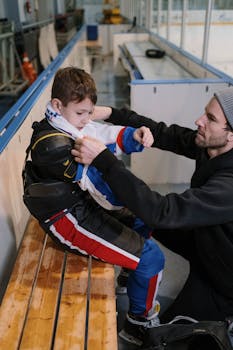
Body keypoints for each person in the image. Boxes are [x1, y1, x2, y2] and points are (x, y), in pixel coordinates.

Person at [22, 67, 165, 347]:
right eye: (81, 113)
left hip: (81, 203)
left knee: (143, 220)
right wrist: (140, 198)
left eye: (89, 112)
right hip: (67, 220)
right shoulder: (55, 147)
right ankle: (138, 323)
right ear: (57, 105)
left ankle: (129, 275)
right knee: (152, 259)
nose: (86, 119)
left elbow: (100, 132)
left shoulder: (67, 121)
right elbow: (108, 195)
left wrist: (132, 137)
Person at [72, 87, 233, 328]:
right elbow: (162, 133)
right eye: (204, 113)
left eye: (210, 119)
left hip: (224, 272)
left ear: (231, 135)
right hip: (205, 238)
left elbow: (163, 212)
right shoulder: (210, 145)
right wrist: (106, 113)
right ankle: (133, 269)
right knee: (136, 214)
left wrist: (104, 160)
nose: (199, 121)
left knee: (176, 333)